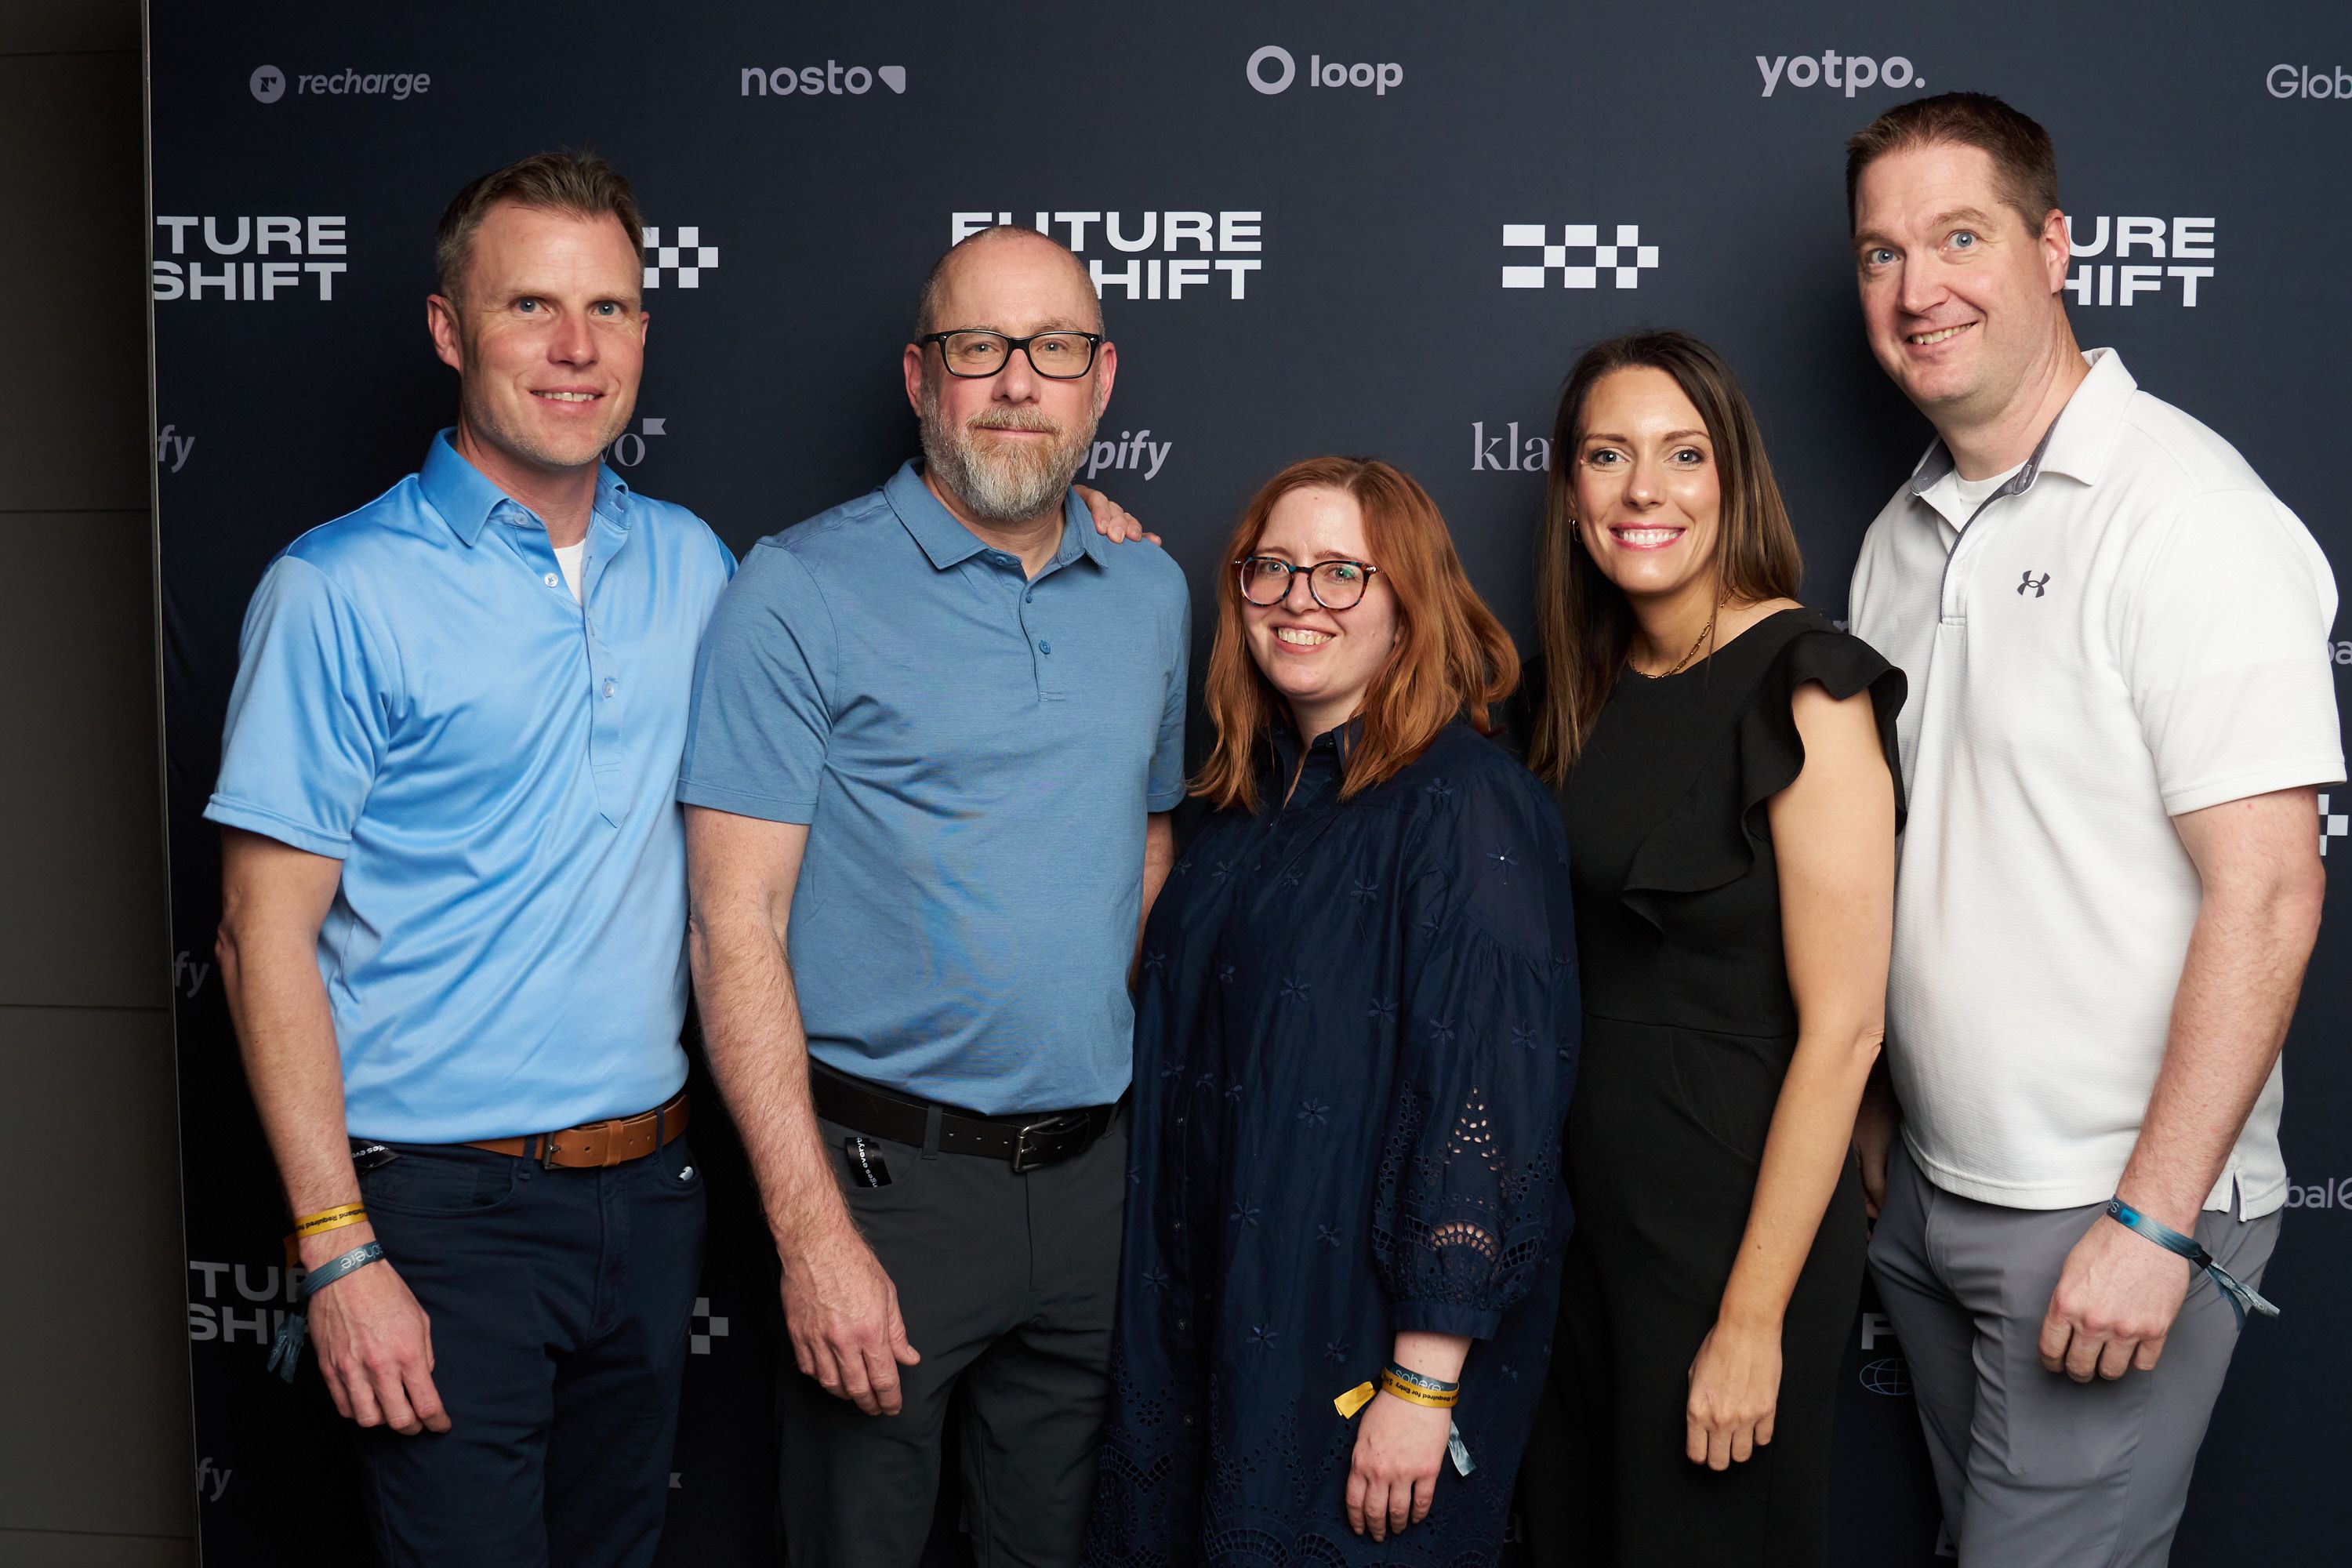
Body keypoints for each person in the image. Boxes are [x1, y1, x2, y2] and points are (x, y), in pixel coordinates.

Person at [207, 152, 735, 1566]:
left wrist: (1070, 533)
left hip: (655, 1192)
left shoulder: (695, 567)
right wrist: (337, 1247)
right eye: (532, 308)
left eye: (612, 309)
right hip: (438, 1213)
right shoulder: (338, 589)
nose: (577, 349)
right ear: (451, 332)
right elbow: (262, 937)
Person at [1841, 93, 2339, 1566]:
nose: (1918, 288)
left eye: (1959, 236)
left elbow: (2268, 892)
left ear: (2057, 248)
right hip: (1935, 1193)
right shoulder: (1899, 534)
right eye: (1880, 252)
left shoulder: (2186, 513)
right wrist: (1887, 1128)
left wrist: (2156, 1222)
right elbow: (1916, 860)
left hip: (2114, 1212)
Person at [678, 223, 1189, 1567]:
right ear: (921, 377)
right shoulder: (795, 589)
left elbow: (1145, 847)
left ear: (1102, 377)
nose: (1020, 381)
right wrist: (813, 1235)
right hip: (884, 1188)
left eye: (1056, 348)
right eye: (981, 348)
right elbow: (734, 926)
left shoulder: (1150, 587)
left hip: (1093, 1190)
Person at [1084, 456, 1578, 1566]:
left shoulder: (1466, 805)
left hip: (1361, 1353)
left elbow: (1487, 1101)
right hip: (1210, 1319)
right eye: (1273, 570)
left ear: (1412, 604)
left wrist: (1423, 1379)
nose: (1300, 599)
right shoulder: (1246, 806)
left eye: (1344, 573)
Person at [1515, 332, 1905, 1566]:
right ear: (1571, 492)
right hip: (1583, 1225)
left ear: (1731, 475)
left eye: (1682, 455)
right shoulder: (1574, 689)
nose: (1645, 490)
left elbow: (1846, 1032)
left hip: (1735, 1227)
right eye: (1607, 455)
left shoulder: (1811, 687)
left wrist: (1752, 1320)